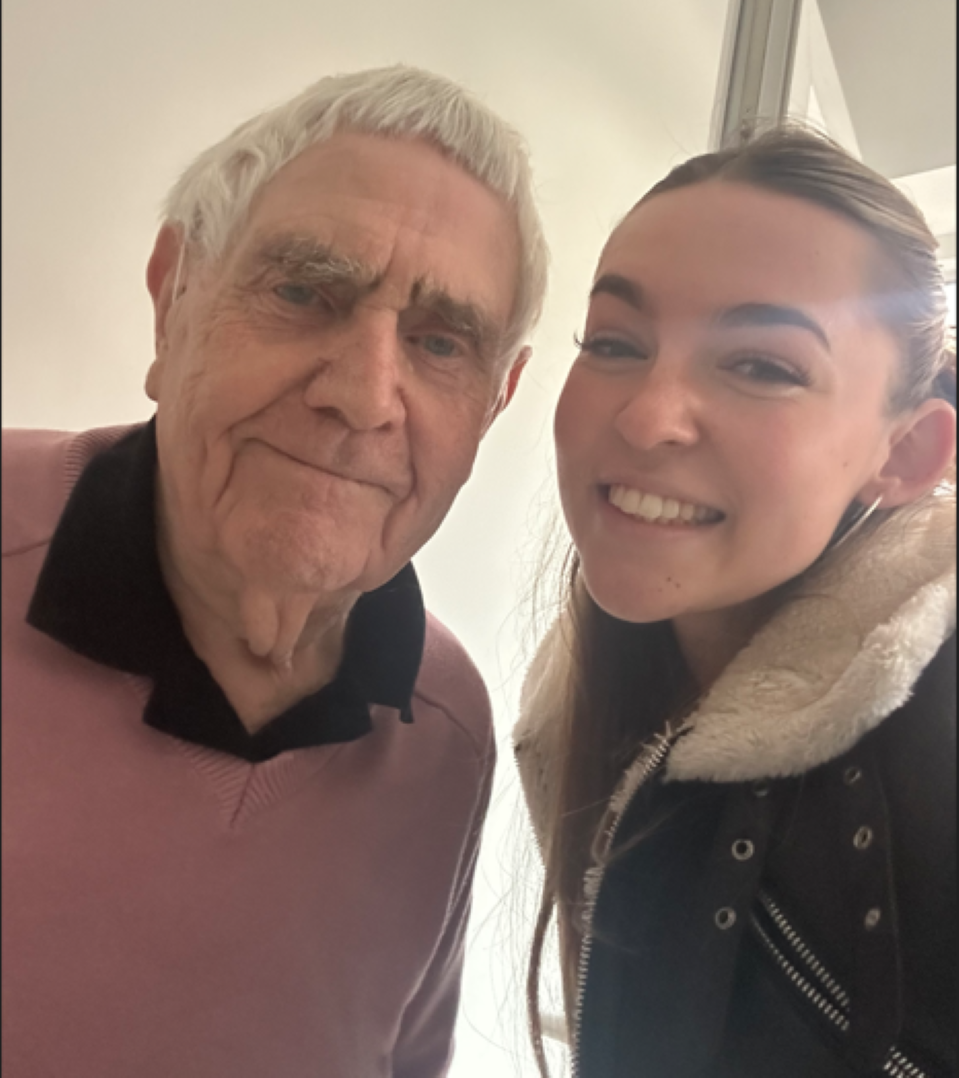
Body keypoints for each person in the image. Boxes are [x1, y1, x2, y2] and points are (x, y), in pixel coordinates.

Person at [2, 64, 547, 1078]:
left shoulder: (449, 723)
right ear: (172, 298)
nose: (361, 394)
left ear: (494, 401)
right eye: (302, 290)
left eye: (439, 342)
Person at [514, 126, 956, 1078]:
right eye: (614, 342)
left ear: (906, 453)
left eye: (761, 365)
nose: (645, 416)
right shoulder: (579, 714)